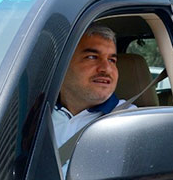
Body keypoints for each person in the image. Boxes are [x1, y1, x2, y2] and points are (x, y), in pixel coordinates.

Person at [53, 24, 133, 169]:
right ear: (61, 64)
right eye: (92, 57)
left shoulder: (132, 121)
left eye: (112, 60)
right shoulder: (35, 115)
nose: (106, 68)